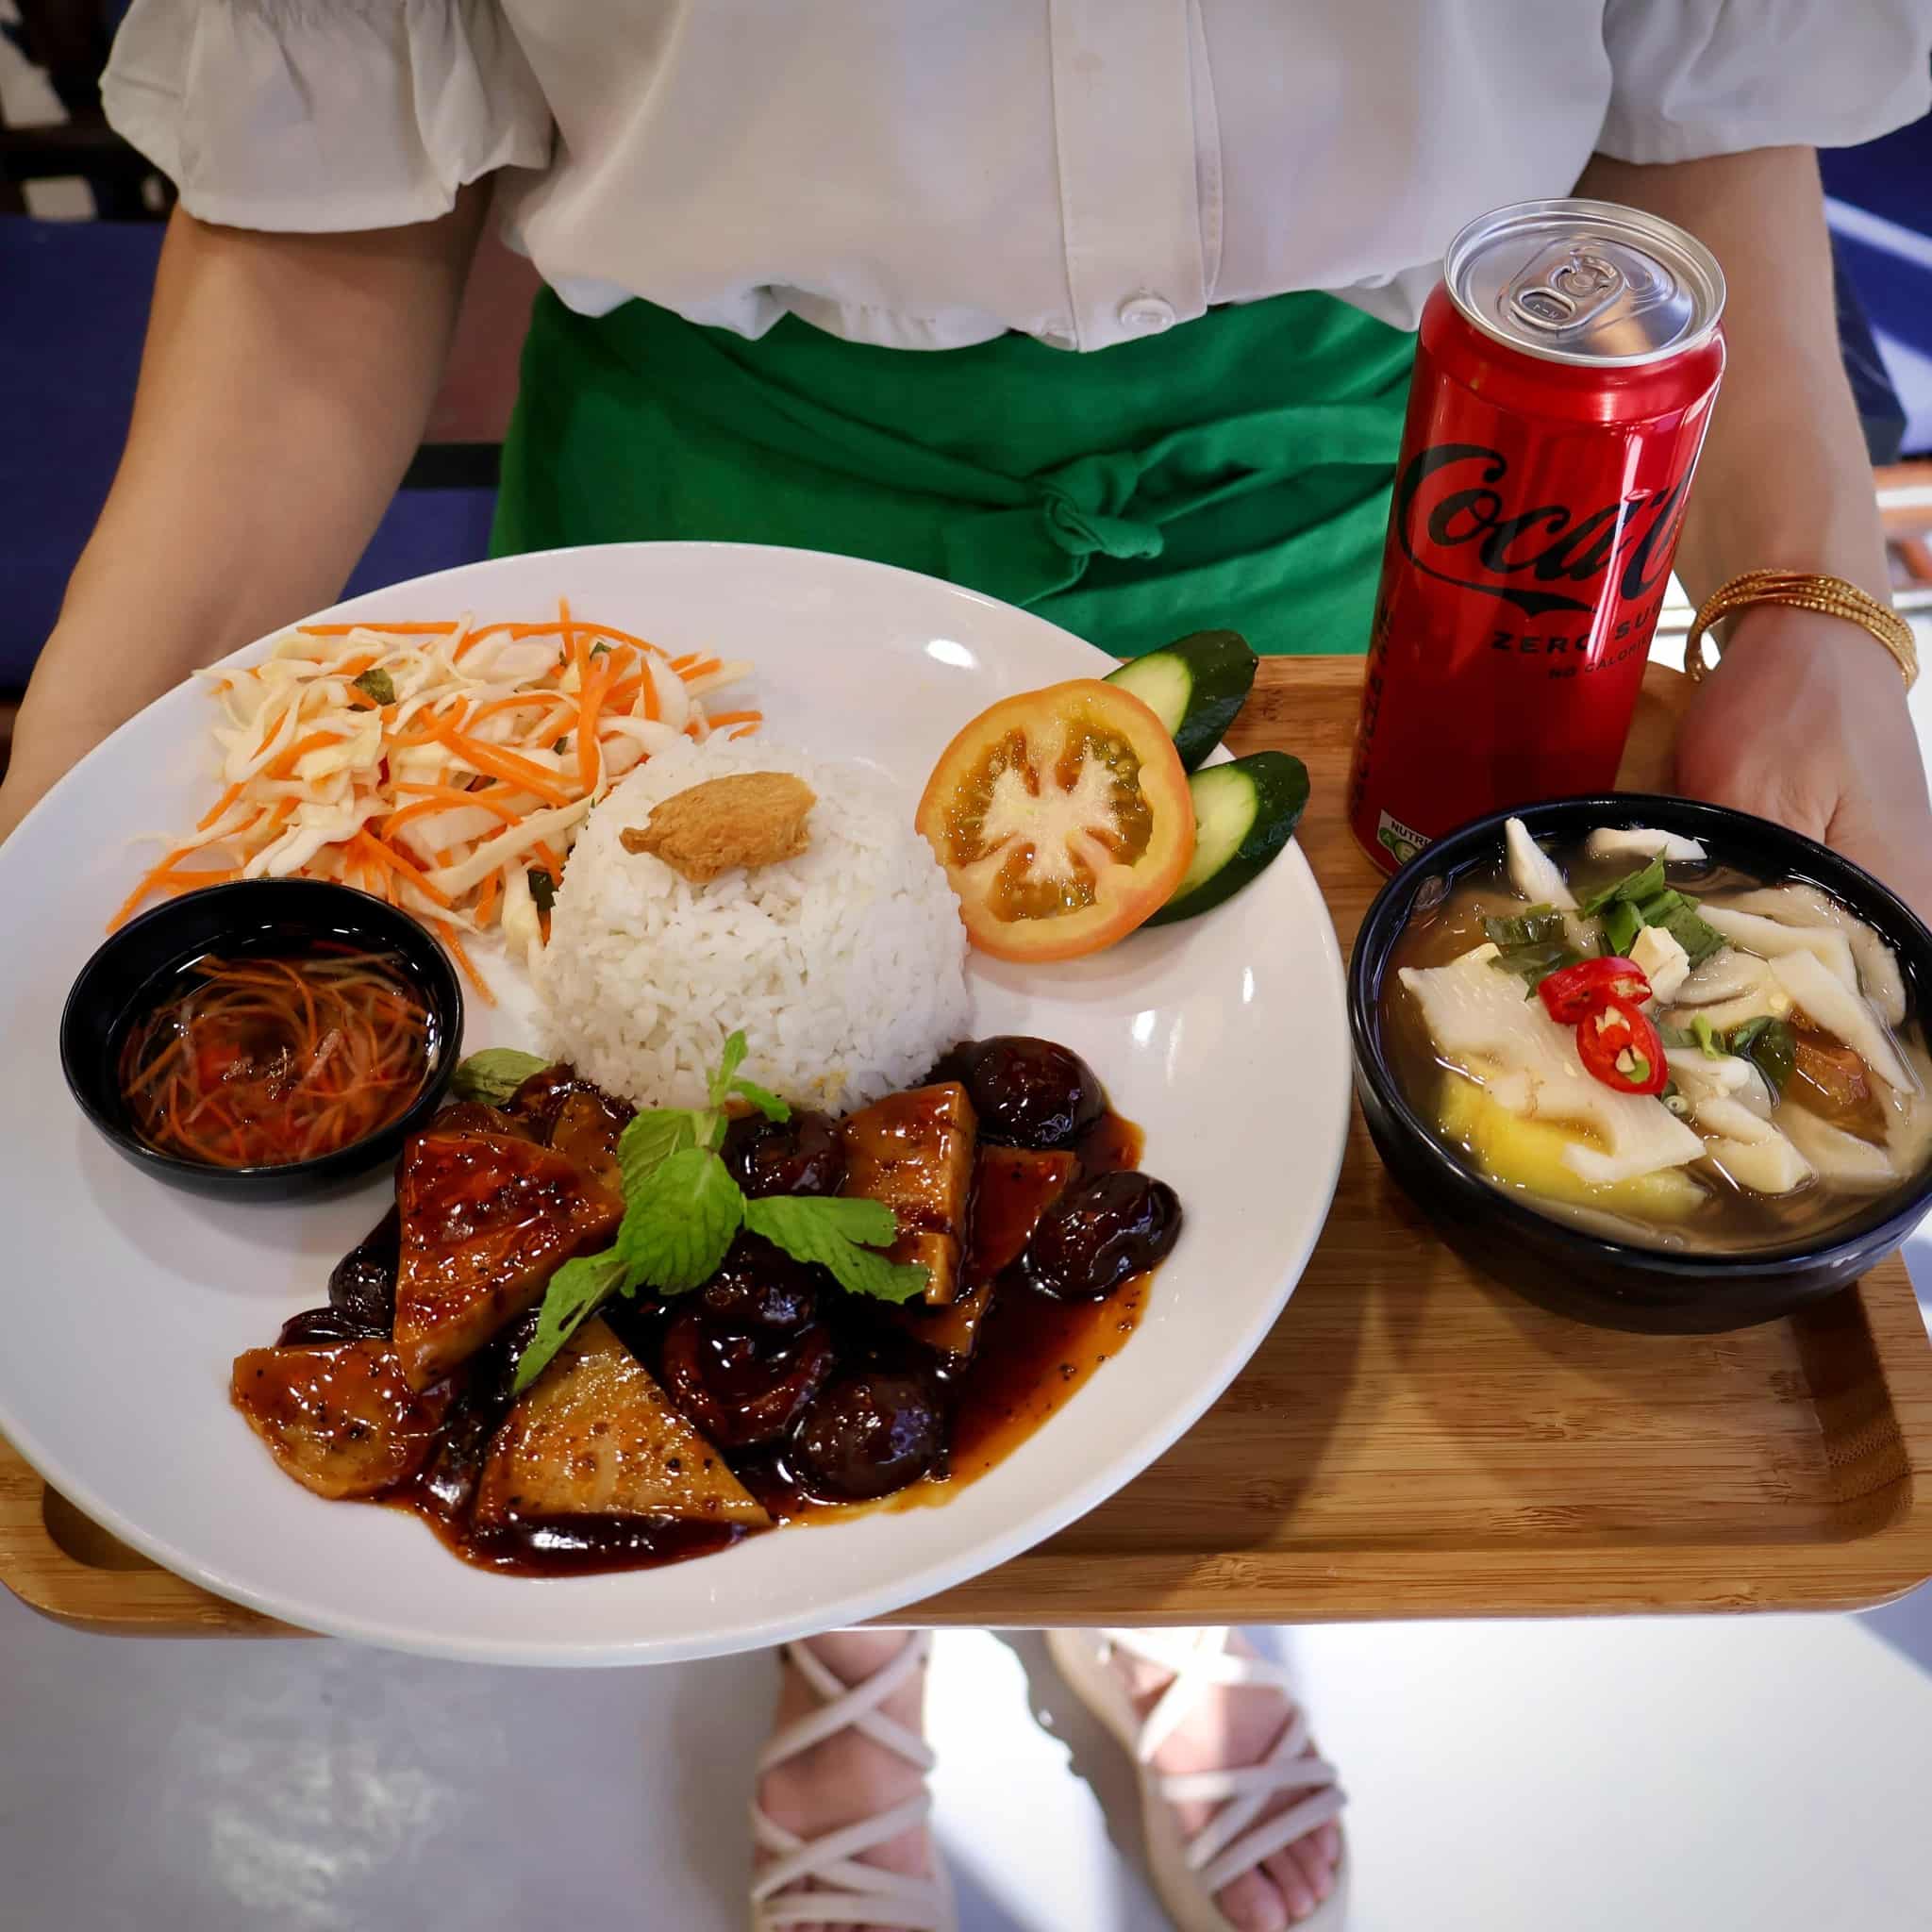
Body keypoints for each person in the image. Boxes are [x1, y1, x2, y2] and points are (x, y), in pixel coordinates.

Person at [8, 7, 1932, 1929]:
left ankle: (1167, 1605)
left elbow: (1697, 105)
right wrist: (65, 793)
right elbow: (318, 206)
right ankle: (854, 1635)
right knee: (818, 1322)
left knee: (1271, 1294)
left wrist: (1812, 604)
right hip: (719, 548)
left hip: (1383, 544)